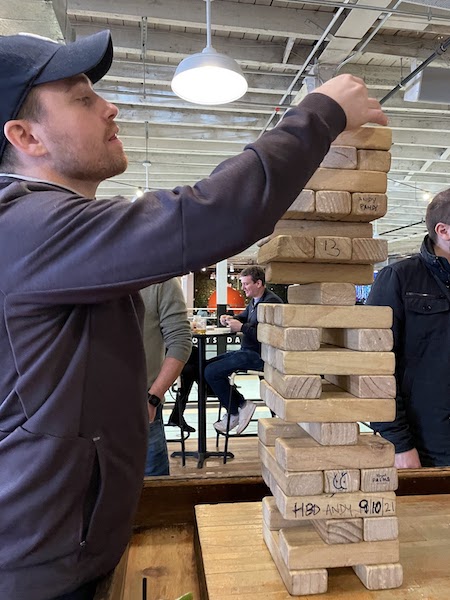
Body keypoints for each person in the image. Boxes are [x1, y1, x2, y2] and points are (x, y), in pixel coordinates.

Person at [0, 29, 387, 600]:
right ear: (23, 134)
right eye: (81, 98)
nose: (110, 106)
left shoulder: (41, 228)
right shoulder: (25, 227)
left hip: (63, 544)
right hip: (38, 566)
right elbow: (206, 217)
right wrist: (322, 112)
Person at [367, 189, 450, 469]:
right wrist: (399, 443)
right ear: (444, 231)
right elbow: (373, 369)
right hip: (428, 445)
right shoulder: (399, 279)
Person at [205, 266, 283, 435]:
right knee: (205, 366)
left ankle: (234, 411)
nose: (243, 288)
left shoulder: (270, 303)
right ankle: (240, 405)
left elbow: (270, 336)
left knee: (211, 372)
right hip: (247, 352)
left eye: (246, 284)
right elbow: (244, 317)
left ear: (259, 283)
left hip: (260, 356)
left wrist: (242, 327)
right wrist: (230, 318)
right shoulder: (255, 301)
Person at [141, 279, 192, 476]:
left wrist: (153, 398)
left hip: (141, 409)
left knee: (154, 495)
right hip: (85, 415)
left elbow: (180, 341)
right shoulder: (88, 271)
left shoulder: (161, 280)